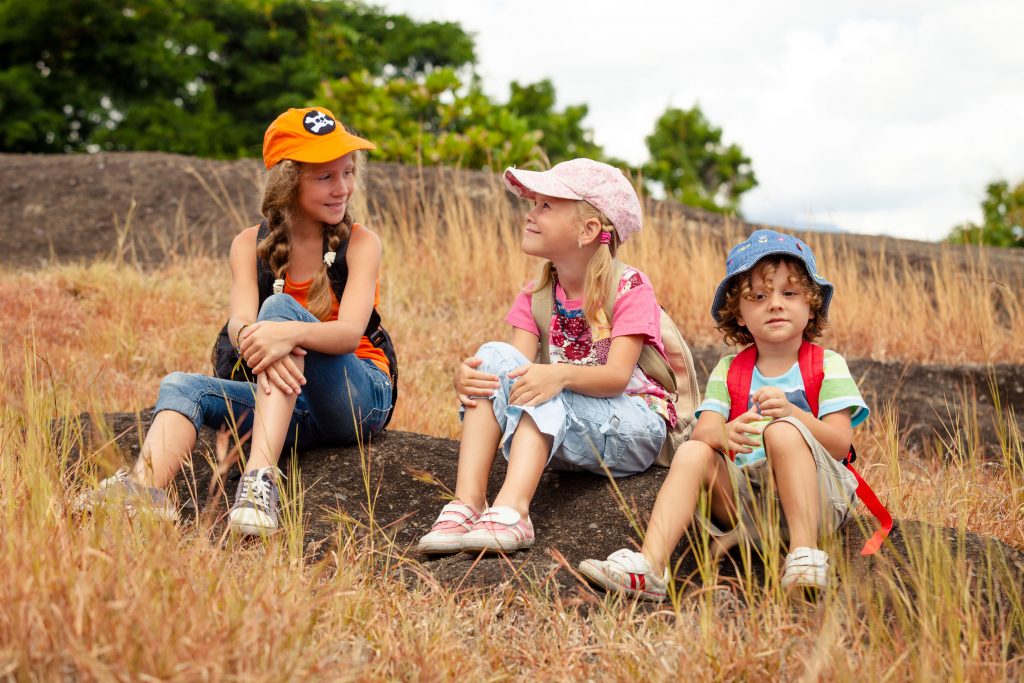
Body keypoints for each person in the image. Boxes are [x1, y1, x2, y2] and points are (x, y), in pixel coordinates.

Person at [76, 107, 394, 535]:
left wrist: (284, 331)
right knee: (180, 385)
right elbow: (238, 323)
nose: (343, 189)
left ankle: (259, 478)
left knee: (277, 311)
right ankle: (144, 490)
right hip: (288, 406)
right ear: (288, 181)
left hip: (359, 397)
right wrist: (260, 337)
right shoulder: (249, 244)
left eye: (348, 173)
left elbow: (347, 334)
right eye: (325, 177)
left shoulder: (361, 243)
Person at [579, 229, 869, 600]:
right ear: (741, 315)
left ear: (811, 305)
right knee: (693, 450)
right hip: (745, 503)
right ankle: (651, 566)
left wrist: (795, 415)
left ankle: (804, 556)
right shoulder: (730, 370)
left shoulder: (827, 365)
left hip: (816, 498)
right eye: (759, 297)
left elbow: (840, 443)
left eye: (790, 293)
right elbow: (704, 432)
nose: (775, 304)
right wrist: (725, 433)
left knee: (782, 431)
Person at [417, 158, 677, 554]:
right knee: (492, 356)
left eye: (546, 206)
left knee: (545, 383)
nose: (531, 214)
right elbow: (514, 375)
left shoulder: (630, 286)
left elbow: (617, 377)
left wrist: (559, 376)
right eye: (533, 204)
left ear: (589, 230)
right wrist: (470, 379)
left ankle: (514, 509)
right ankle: (468, 503)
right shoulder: (537, 294)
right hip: (567, 428)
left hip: (632, 426)